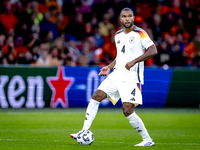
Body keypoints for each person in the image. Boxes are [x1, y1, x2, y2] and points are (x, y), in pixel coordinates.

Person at [70, 8, 158, 146]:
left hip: (131, 78)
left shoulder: (140, 33)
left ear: (133, 18)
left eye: (130, 16)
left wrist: (135, 61)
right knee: (96, 96)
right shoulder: (117, 35)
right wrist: (109, 67)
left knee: (127, 110)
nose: (127, 19)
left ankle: (147, 140)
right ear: (121, 19)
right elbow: (120, 57)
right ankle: (84, 131)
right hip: (116, 74)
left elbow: (153, 50)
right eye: (124, 16)